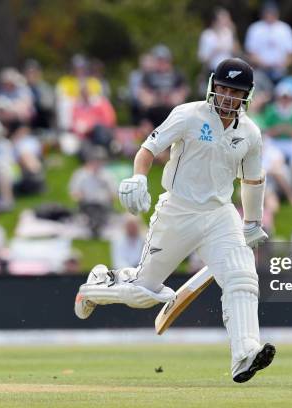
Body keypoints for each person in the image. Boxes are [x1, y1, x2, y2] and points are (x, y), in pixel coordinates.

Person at [74, 58, 275, 383]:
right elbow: (148, 149)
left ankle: (245, 354)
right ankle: (93, 288)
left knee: (242, 277)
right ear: (212, 86)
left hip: (219, 214)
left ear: (246, 96)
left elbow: (252, 180)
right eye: (223, 89)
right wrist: (138, 178)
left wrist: (252, 222)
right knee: (143, 294)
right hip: (177, 211)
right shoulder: (189, 114)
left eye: (235, 92)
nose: (227, 97)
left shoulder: (250, 133)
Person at [244, 1, 292, 83]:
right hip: (260, 71)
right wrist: (263, 63)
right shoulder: (255, 29)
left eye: (272, 12)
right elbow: (250, 53)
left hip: (281, 72)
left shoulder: (285, 28)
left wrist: (283, 64)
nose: (269, 15)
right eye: (267, 12)